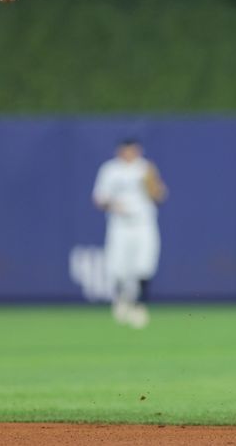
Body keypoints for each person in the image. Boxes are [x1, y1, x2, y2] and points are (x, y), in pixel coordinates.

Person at [93, 138, 168, 328]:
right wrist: (112, 204)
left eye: (133, 150)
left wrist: (155, 188)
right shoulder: (110, 170)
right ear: (119, 151)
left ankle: (139, 306)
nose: (130, 154)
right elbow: (99, 198)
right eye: (126, 150)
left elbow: (160, 196)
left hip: (143, 223)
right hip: (120, 224)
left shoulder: (145, 169)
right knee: (118, 266)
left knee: (145, 265)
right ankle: (121, 300)